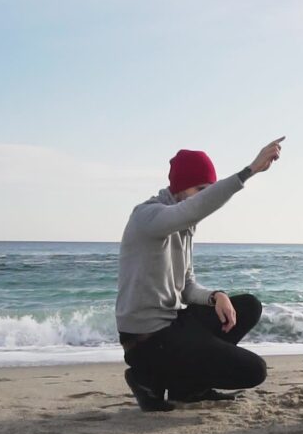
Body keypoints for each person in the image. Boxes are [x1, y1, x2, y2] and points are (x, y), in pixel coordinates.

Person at [116, 137, 284, 411]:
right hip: (146, 339)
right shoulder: (148, 216)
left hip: (172, 325)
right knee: (255, 371)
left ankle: (189, 389)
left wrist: (215, 296)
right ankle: (144, 376)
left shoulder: (184, 226)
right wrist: (249, 171)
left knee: (248, 306)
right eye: (200, 189)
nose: (204, 196)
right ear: (180, 187)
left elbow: (186, 288)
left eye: (209, 190)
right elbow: (193, 208)